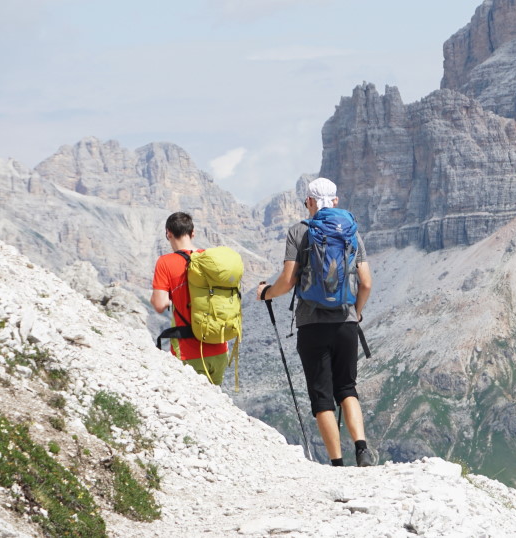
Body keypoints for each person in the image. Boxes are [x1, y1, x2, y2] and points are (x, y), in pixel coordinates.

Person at [257, 177, 375, 467]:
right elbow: (366, 283)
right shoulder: (351, 231)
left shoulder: (299, 231)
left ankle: (337, 464)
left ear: (309, 201)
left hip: (311, 325)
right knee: (346, 389)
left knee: (322, 397)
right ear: (335, 201)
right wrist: (357, 312)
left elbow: (288, 281)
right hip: (346, 322)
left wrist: (265, 293)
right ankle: (361, 449)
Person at [151, 211, 231, 383]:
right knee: (214, 397)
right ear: (192, 233)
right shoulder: (210, 259)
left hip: (189, 352)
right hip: (220, 347)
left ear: (168, 233)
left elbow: (159, 304)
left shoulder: (165, 262)